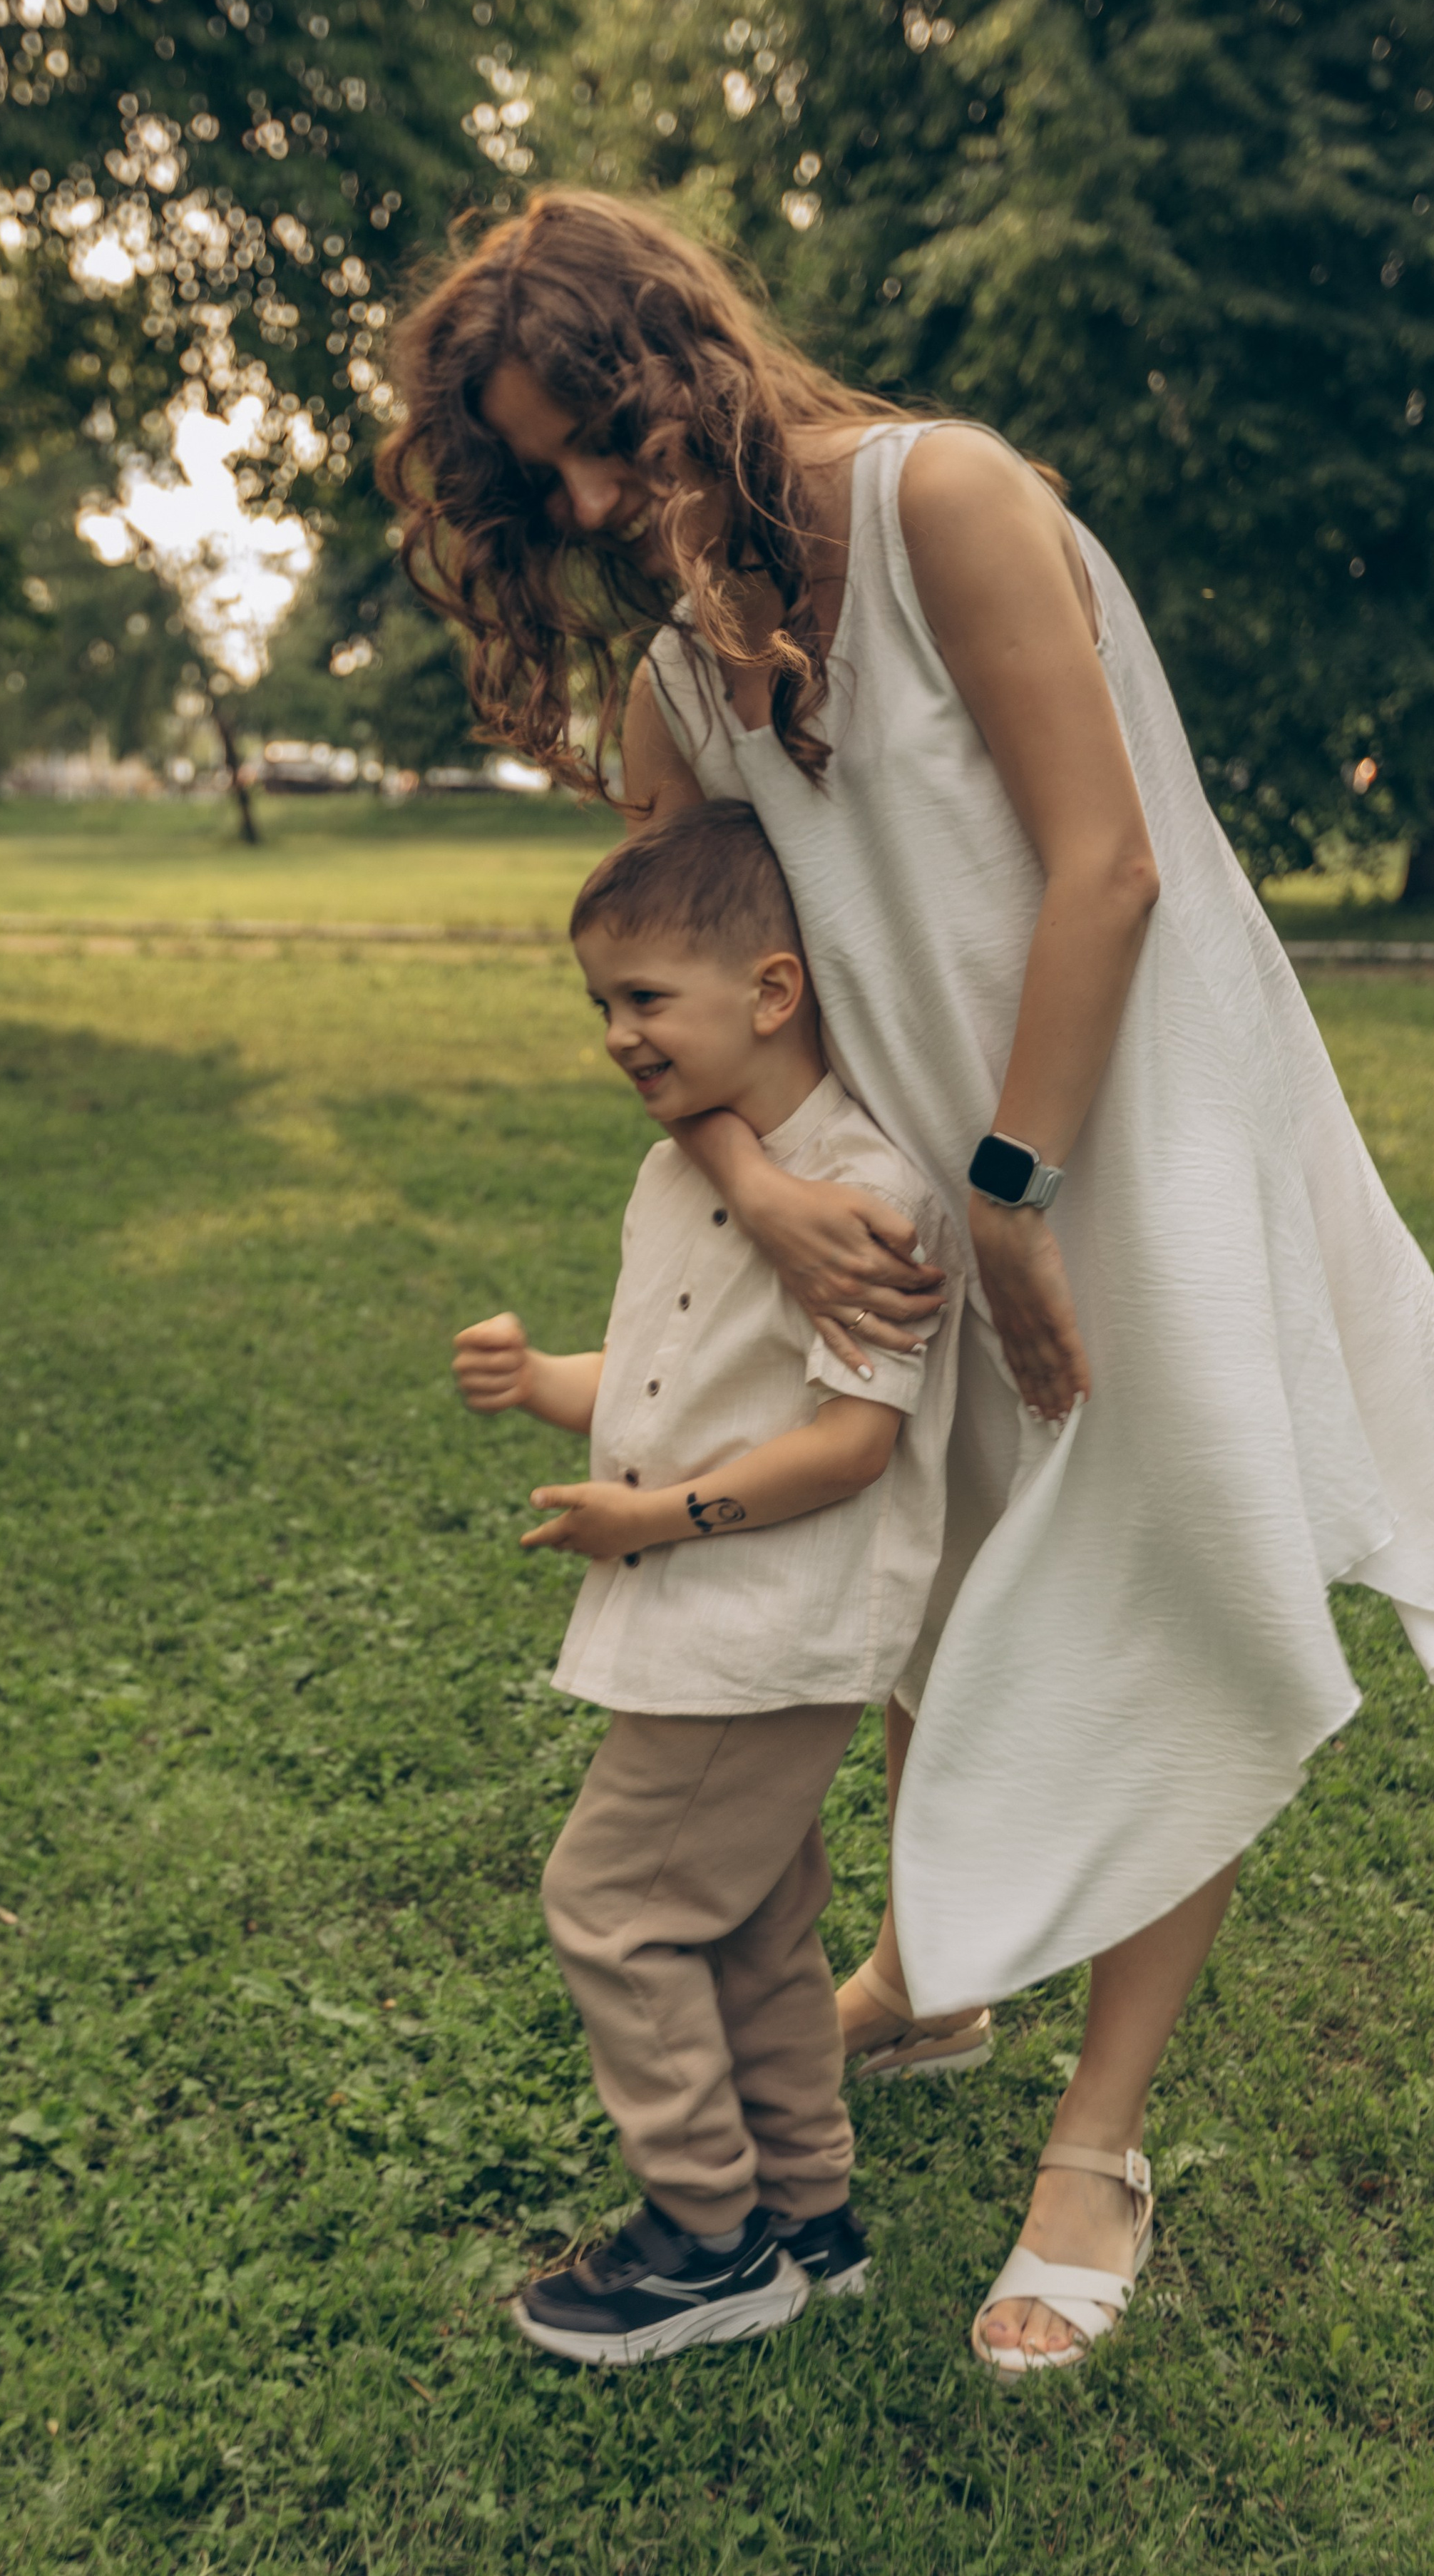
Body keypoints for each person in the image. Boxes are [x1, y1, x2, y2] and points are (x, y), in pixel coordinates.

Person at [386, 190, 1434, 2375]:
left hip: (1115, 1140)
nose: (582, 508)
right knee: (934, 1587)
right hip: (895, 1208)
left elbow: (1105, 864)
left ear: (682, 362)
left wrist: (1022, 1192)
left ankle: (1097, 2146)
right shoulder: (678, 680)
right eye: (540, 483)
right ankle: (938, 1974)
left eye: (596, 443)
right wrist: (765, 1191)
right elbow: (674, 984)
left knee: (1161, 1596)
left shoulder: (939, 500)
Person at [452, 801, 960, 2365]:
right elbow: (675, 1377)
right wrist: (545, 1381)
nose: (617, 1032)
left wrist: (650, 1519)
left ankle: (704, 2237)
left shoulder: (870, 1196)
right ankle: (808, 2214)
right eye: (599, 1001)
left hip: (766, 1626)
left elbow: (852, 1444)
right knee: (748, 1922)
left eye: (645, 996)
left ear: (771, 990)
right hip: (709, 1620)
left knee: (610, 1906)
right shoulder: (685, 1172)